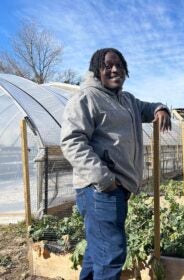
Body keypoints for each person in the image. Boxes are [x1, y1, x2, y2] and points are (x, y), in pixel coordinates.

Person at [60, 47, 171, 280]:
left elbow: (146, 109)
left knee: (96, 250)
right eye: (108, 65)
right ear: (96, 69)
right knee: (111, 255)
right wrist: (104, 179)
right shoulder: (87, 98)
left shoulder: (126, 99)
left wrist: (161, 109)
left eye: (119, 65)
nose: (115, 69)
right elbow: (72, 142)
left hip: (115, 189)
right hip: (99, 190)